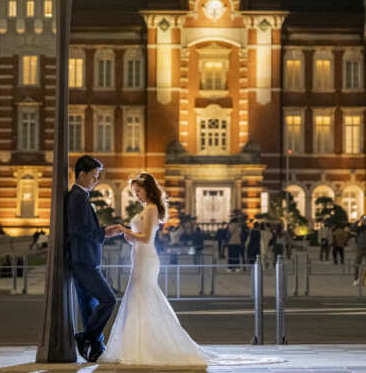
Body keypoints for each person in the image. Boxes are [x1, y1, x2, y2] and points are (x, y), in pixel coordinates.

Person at [101, 172, 281, 367]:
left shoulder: (152, 208)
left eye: (138, 191)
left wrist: (123, 229)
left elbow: (145, 238)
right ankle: (136, 344)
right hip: (139, 256)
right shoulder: (147, 209)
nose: (136, 195)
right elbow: (139, 237)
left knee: (141, 297)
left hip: (146, 258)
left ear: (147, 189)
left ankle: (143, 345)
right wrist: (128, 234)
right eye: (134, 192)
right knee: (138, 298)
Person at [67, 155, 123, 363]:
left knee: (89, 306)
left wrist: (102, 231)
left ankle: (97, 347)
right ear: (82, 175)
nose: (96, 181)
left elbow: (83, 228)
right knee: (108, 299)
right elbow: (78, 229)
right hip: (84, 261)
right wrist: (103, 234)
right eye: (94, 176)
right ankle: (85, 338)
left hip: (83, 259)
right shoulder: (78, 198)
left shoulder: (80, 196)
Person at [351, 215, 366, 286]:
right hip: (360, 248)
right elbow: (352, 228)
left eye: (365, 220)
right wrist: (358, 220)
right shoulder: (358, 228)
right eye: (363, 220)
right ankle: (356, 279)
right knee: (357, 263)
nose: (364, 221)